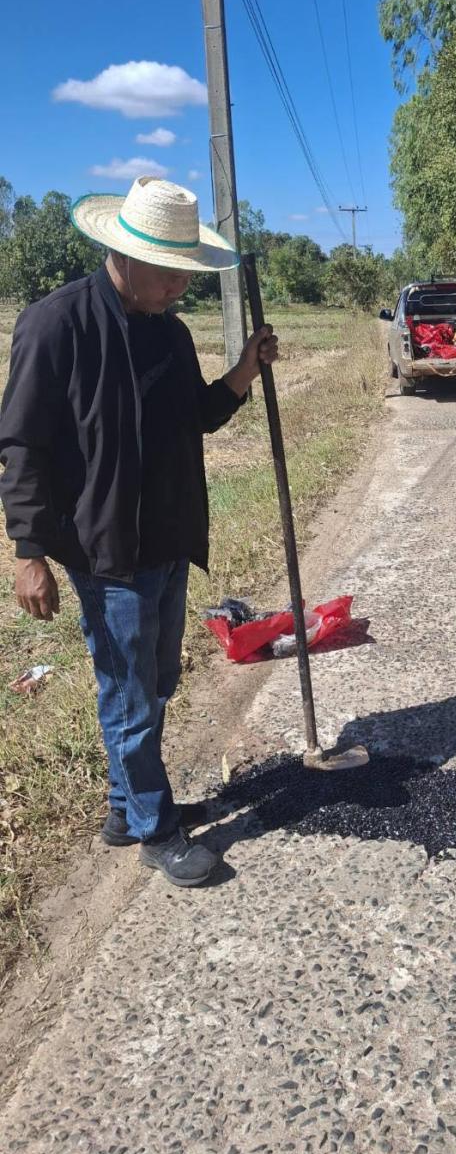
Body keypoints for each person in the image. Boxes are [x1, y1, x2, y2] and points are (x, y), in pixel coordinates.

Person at [0, 176, 278, 888]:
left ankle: (126, 810)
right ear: (127, 254)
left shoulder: (171, 333)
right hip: (104, 549)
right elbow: (22, 445)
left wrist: (244, 371)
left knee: (154, 683)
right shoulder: (55, 324)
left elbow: (197, 417)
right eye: (171, 273)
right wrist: (29, 553)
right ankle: (157, 831)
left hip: (168, 539)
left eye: (188, 273)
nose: (181, 287)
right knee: (128, 693)